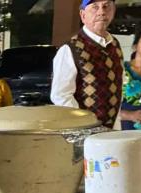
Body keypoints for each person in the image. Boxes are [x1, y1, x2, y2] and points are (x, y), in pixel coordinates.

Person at [50, 0, 123, 128]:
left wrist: (116, 126)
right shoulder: (70, 49)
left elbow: (117, 89)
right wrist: (84, 124)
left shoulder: (115, 45)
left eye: (106, 6)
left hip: (112, 132)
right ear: (83, 15)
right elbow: (61, 96)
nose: (101, 12)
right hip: (84, 134)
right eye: (95, 7)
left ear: (113, 11)